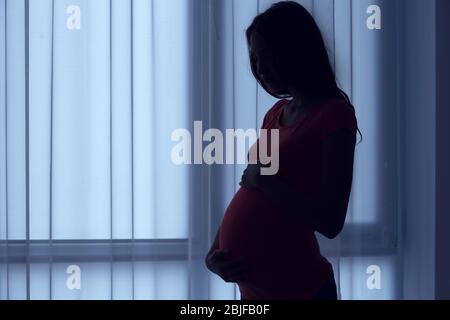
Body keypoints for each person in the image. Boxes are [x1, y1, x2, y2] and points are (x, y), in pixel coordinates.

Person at [205, 1, 361, 300]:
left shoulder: (334, 115)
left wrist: (264, 181)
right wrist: (213, 253)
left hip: (301, 290)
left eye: (267, 56)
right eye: (254, 59)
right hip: (254, 292)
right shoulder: (276, 113)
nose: (260, 68)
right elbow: (247, 188)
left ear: (295, 50)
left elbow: (331, 221)